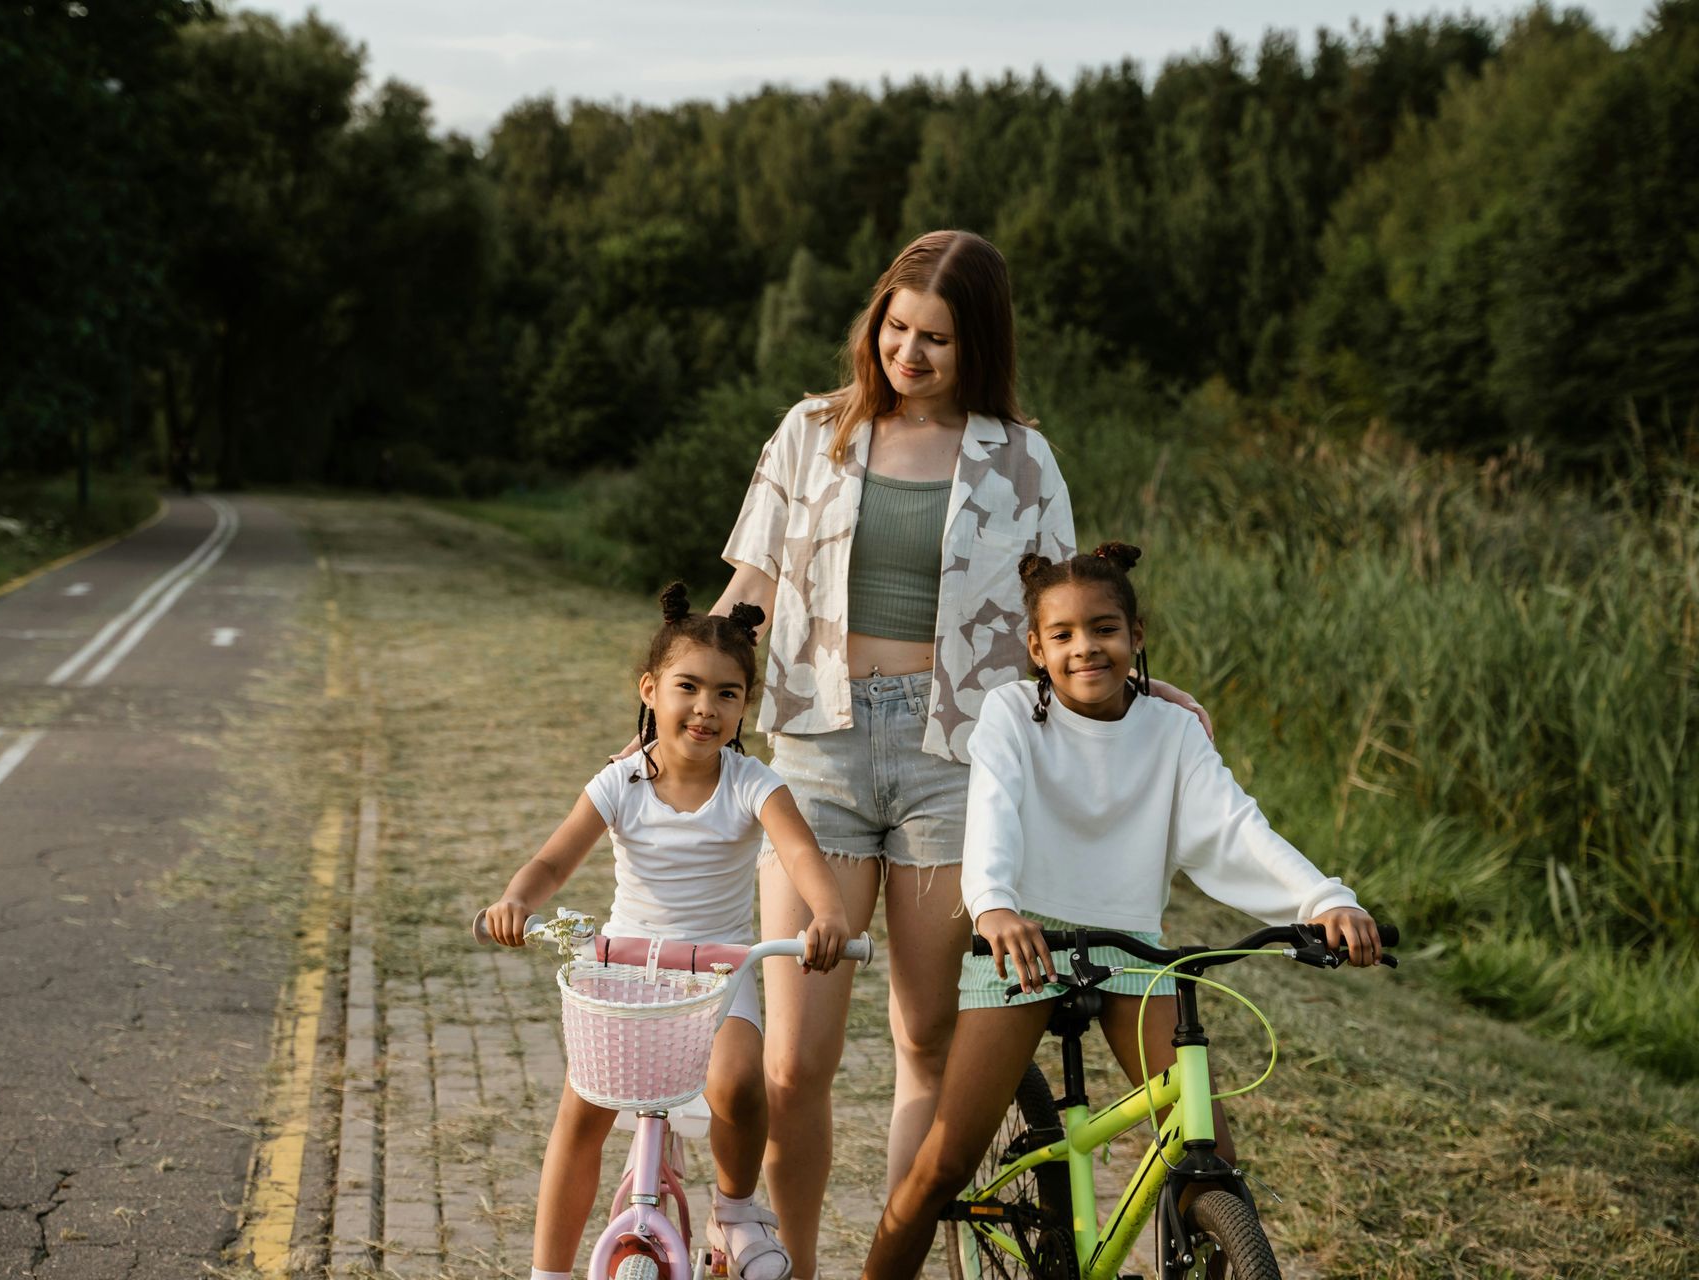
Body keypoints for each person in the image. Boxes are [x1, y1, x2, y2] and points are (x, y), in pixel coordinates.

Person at [710, 229, 1209, 1278]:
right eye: (895, 328)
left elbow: (1065, 614)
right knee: (798, 1061)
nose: (909, 353)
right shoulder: (810, 432)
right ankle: (792, 1264)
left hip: (957, 761)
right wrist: (692, 683)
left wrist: (1141, 686)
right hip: (818, 753)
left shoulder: (1022, 458)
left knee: (928, 1039)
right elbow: (749, 586)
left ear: (976, 341)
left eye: (936, 337)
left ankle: (896, 1265)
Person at [857, 543, 1383, 1278]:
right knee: (943, 1163)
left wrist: (1325, 899)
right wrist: (997, 908)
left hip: (1131, 950)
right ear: (1036, 648)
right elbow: (995, 813)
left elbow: (1235, 828)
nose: (1085, 648)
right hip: (1024, 944)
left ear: (1137, 634)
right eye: (1063, 635)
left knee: (1209, 1159)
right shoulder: (1012, 713)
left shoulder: (1171, 733)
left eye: (1104, 629)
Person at [481, 583, 852, 1280]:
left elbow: (802, 856)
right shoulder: (619, 783)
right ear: (651, 690)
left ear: (746, 706)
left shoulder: (752, 784)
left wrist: (828, 913)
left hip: (717, 974)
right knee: (581, 1112)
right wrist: (515, 900)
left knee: (741, 1086)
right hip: (622, 969)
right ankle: (548, 1271)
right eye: (688, 687)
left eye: (727, 694)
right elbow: (554, 860)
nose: (706, 709)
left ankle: (736, 1211)